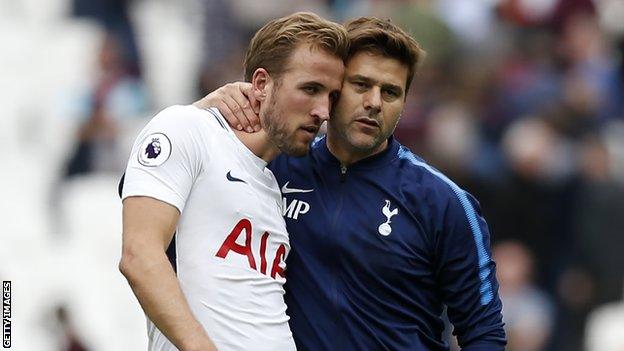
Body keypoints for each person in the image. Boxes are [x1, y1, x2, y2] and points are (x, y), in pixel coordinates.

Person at [195, 16, 506, 350]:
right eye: (361, 85)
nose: (374, 102)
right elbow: (153, 190)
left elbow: (483, 332)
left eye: (391, 92)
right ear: (334, 90)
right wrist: (202, 112)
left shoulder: (443, 201)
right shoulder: (273, 167)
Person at [118, 12, 347, 351]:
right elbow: (138, 254)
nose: (323, 111)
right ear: (261, 84)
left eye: (332, 97)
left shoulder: (272, 186)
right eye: (310, 89)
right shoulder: (188, 128)